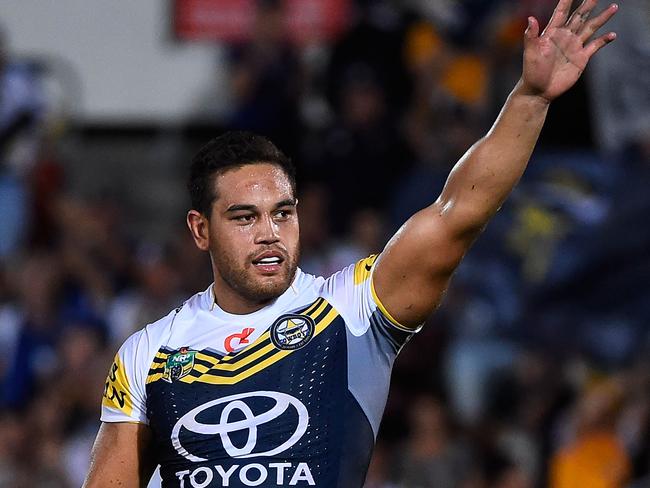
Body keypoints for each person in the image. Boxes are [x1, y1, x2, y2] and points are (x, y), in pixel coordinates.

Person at [83, 1, 618, 486]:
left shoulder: (352, 309)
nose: (269, 232)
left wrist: (530, 98)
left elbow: (457, 214)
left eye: (282, 213)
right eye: (244, 217)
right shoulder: (149, 353)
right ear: (201, 230)